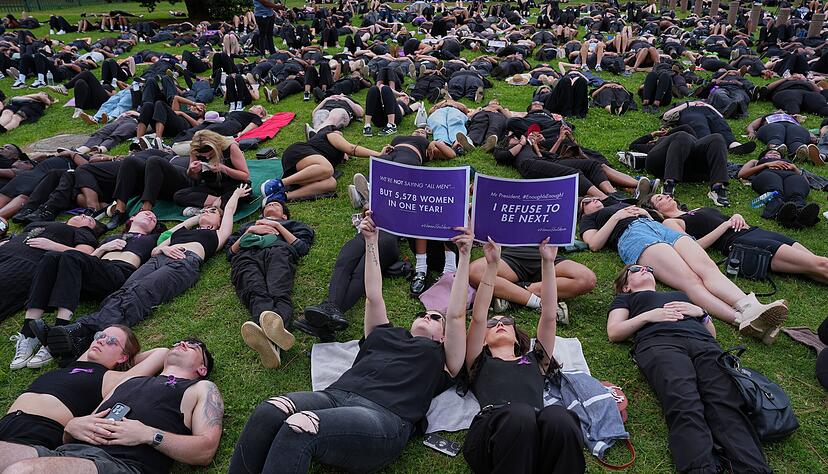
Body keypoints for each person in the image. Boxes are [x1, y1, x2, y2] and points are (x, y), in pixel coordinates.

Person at [227, 213, 470, 474]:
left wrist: (465, 256)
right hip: (334, 398)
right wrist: (371, 241)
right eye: (423, 313)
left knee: (300, 426)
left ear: (444, 336)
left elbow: (455, 315)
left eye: (435, 317)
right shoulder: (382, 333)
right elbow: (373, 296)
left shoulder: (444, 357)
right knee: (271, 409)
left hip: (383, 416)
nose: (426, 315)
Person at [39, 185, 251, 362]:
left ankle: (81, 328)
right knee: (124, 291)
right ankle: (81, 337)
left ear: (219, 221)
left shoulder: (218, 235)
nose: (206, 213)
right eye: (204, 211)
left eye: (212, 212)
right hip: (160, 259)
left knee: (140, 294)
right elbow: (155, 250)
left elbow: (229, 211)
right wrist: (166, 247)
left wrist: (234, 196)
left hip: (183, 263)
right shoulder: (183, 230)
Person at [607, 265, 772, 474]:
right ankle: (699, 468)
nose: (645, 269)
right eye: (636, 269)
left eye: (648, 268)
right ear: (626, 286)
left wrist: (702, 314)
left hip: (704, 345)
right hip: (660, 343)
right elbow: (614, 332)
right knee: (683, 400)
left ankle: (753, 469)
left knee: (726, 402)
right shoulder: (626, 300)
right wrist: (648, 316)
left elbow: (711, 334)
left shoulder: (679, 295)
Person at [579, 197, 788, 341]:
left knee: (708, 269)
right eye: (585, 202)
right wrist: (617, 217)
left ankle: (750, 307)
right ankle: (740, 319)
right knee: (690, 280)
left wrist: (647, 214)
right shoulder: (590, 220)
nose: (592, 200)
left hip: (660, 229)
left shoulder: (620, 202)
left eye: (593, 198)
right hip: (634, 237)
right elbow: (594, 244)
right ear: (582, 211)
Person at [1, 339, 224, 473]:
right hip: (65, 453)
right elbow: (84, 424)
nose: (182, 343)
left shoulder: (202, 388)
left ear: (202, 368)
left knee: (22, 471)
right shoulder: (128, 380)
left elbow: (205, 450)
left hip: (120, 465)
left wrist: (149, 435)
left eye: (194, 346)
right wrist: (71, 427)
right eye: (179, 342)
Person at [463, 238, 586, 473]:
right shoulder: (478, 361)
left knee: (559, 417)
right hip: (493, 435)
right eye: (493, 323)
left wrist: (548, 262)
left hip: (537, 439)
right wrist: (491, 266)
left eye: (505, 321)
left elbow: (549, 316)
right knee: (520, 415)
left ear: (517, 336)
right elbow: (478, 317)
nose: (499, 323)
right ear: (483, 339)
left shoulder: (535, 360)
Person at [15, 211, 162, 369]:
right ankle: (28, 332)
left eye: (154, 218)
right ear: (132, 218)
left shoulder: (153, 239)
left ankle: (57, 332)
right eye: (147, 213)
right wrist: (103, 248)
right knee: (51, 257)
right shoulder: (111, 238)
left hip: (119, 274)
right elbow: (89, 258)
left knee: (71, 256)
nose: (151, 216)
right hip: (94, 272)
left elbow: (173, 235)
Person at [0, 326, 169, 463]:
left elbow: (161, 353)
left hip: (36, 432)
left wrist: (127, 361)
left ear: (123, 357)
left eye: (111, 341)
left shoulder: (111, 378)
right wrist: (110, 347)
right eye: (100, 335)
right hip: (6, 424)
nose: (102, 341)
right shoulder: (74, 366)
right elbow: (91, 351)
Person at [645, 193, 828, 288]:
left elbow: (727, 217)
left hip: (756, 231)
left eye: (665, 194)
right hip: (742, 241)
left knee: (814, 268)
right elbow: (693, 247)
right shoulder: (671, 222)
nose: (667, 196)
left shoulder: (698, 208)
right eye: (659, 198)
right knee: (820, 264)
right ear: (657, 211)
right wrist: (725, 226)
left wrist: (736, 215)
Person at [227, 197, 315, 368]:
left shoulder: (293, 225)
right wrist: (250, 230)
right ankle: (278, 335)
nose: (271, 205)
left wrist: (278, 227)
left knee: (278, 290)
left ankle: (271, 339)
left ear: (284, 216)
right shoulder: (248, 227)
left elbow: (302, 247)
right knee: (254, 291)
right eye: (267, 205)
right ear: (261, 213)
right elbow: (230, 253)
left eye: (276, 205)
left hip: (278, 251)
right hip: (246, 256)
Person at [1, 215, 99, 333]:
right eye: (83, 214)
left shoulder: (83, 232)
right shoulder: (42, 223)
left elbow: (84, 254)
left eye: (90, 219)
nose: (84, 215)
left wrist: (53, 246)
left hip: (24, 263)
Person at [260, 124, 381, 202]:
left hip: (309, 171)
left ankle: (283, 197)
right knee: (328, 169)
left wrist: (343, 156)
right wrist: (378, 155)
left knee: (331, 183)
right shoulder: (331, 134)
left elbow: (347, 152)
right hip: (298, 153)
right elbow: (351, 148)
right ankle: (278, 183)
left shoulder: (337, 153)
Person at [737, 148, 819, 228]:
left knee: (796, 194)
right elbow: (741, 174)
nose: (775, 153)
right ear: (763, 157)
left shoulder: (789, 163)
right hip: (769, 173)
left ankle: (802, 213)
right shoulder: (756, 161)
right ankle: (780, 212)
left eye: (778, 153)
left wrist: (795, 168)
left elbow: (807, 183)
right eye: (770, 152)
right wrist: (766, 165)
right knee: (775, 192)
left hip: (791, 176)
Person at [176, 130, 251, 213]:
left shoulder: (230, 147)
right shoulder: (195, 151)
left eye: (210, 155)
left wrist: (224, 169)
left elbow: (245, 175)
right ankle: (219, 205)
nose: (207, 158)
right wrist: (192, 170)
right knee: (179, 195)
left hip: (232, 185)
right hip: (210, 187)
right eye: (203, 156)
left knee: (245, 191)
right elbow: (194, 177)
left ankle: (208, 207)